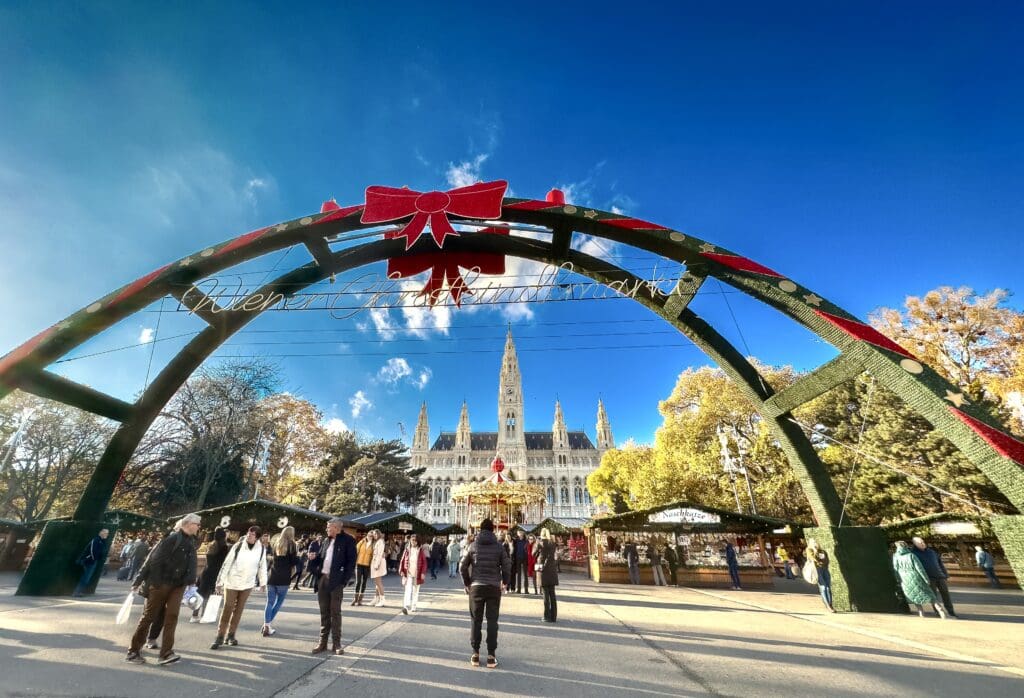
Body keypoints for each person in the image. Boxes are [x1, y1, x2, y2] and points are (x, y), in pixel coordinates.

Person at [125, 514, 200, 665]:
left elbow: (191, 563)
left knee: (172, 616)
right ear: (189, 524)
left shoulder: (191, 541)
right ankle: (133, 651)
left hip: (178, 585)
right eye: (197, 524)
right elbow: (154, 561)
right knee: (149, 617)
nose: (199, 527)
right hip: (161, 584)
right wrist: (156, 583)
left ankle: (166, 653)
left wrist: (191, 582)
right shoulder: (171, 539)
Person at [460, 518, 511, 669]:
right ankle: (491, 655)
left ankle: (475, 653)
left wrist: (468, 583)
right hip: (494, 586)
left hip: (476, 586)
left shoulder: (473, 545)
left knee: (476, 620)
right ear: (492, 530)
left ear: (480, 530)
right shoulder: (499, 546)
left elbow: (462, 566)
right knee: (492, 621)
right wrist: (505, 582)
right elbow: (507, 565)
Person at [211, 526, 268, 649]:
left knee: (239, 610)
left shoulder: (261, 549)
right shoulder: (238, 546)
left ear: (257, 537)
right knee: (228, 607)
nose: (249, 535)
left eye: (252, 534)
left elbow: (262, 566)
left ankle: (231, 635)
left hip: (247, 584)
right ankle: (220, 636)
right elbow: (227, 563)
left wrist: (263, 582)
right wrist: (219, 582)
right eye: (248, 532)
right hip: (232, 582)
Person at [312, 518, 356, 655]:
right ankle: (322, 643)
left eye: (329, 527)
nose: (326, 530)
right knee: (324, 612)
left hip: (336, 582)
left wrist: (343, 580)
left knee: (335, 613)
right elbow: (321, 558)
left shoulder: (348, 540)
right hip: (323, 579)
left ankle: (336, 644)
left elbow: (351, 562)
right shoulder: (326, 541)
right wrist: (314, 558)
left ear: (337, 528)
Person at [893, 540, 948, 618]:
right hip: (916, 577)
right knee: (930, 595)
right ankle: (940, 610)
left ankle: (921, 612)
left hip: (904, 579)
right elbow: (919, 568)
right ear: (905, 546)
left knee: (914, 595)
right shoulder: (911, 555)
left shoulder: (895, 556)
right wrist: (926, 579)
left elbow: (896, 569)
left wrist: (898, 580)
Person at [264, 526, 300, 636]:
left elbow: (273, 559)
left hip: (272, 576)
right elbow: (293, 562)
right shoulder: (292, 545)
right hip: (284, 578)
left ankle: (266, 624)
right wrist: (299, 557)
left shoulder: (276, 543)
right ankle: (268, 624)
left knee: (269, 602)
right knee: (278, 602)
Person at [911, 536, 956, 618]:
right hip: (929, 578)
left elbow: (940, 563)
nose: (922, 543)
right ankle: (938, 612)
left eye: (923, 541)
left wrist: (945, 574)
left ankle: (951, 611)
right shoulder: (913, 554)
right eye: (920, 542)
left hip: (940, 576)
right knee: (933, 597)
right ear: (915, 544)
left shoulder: (931, 552)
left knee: (946, 595)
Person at [191, 527, 228, 623]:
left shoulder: (211, 545)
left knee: (200, 594)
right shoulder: (223, 547)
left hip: (206, 571)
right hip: (215, 574)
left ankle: (194, 615)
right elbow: (224, 562)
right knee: (209, 596)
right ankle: (205, 615)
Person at [73, 527, 109, 597]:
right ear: (101, 532)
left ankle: (79, 592)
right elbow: (93, 551)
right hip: (89, 561)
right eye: (105, 533)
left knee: (86, 577)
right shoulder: (96, 540)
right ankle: (77, 592)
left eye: (107, 533)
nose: (106, 534)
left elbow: (102, 551)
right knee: (85, 577)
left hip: (93, 561)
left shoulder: (101, 541)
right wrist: (93, 559)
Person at [400, 533, 428, 614]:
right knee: (407, 590)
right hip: (408, 573)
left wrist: (423, 573)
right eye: (412, 540)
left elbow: (424, 563)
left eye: (415, 541)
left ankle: (414, 605)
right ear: (410, 541)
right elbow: (402, 560)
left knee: (415, 590)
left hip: (417, 574)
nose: (414, 542)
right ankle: (406, 606)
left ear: (418, 542)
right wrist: (401, 570)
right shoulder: (407, 550)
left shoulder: (420, 550)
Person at [805, 538, 835, 612]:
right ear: (810, 543)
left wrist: (823, 562)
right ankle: (828, 606)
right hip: (817, 570)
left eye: (816, 542)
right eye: (813, 542)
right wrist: (815, 551)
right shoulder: (809, 550)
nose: (815, 543)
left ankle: (831, 604)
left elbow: (826, 560)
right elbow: (812, 558)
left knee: (828, 587)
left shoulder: (822, 551)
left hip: (825, 569)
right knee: (823, 587)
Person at [537, 528, 559, 622]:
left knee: (545, 594)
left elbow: (534, 554)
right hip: (552, 570)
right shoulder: (552, 543)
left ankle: (546, 616)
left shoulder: (540, 543)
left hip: (542, 568)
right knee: (552, 594)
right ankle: (553, 616)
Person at [352, 531, 373, 606]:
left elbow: (374, 555)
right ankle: (355, 599)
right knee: (358, 582)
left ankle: (360, 600)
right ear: (367, 535)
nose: (370, 537)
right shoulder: (361, 542)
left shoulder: (373, 545)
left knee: (364, 582)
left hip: (367, 565)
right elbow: (355, 551)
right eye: (369, 535)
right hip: (359, 564)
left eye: (371, 536)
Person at [369, 529, 387, 606]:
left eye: (376, 534)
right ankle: (376, 598)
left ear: (379, 534)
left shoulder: (380, 542)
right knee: (377, 583)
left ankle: (382, 599)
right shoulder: (376, 542)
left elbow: (379, 554)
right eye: (374, 535)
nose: (375, 536)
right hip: (376, 563)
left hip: (378, 563)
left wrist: (376, 565)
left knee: (378, 582)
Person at [512, 530, 530, 594]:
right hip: (518, 558)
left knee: (525, 575)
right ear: (517, 534)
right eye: (519, 533)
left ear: (523, 534)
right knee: (518, 575)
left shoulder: (526, 541)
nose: (520, 534)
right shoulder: (516, 541)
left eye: (521, 533)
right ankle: (519, 589)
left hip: (525, 559)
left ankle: (526, 589)